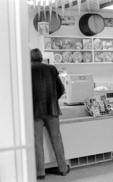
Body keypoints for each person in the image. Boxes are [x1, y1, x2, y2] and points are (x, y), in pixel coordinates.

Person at [31, 48, 69, 179]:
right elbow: (61, 89)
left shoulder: (27, 70)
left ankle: (40, 172)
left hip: (34, 112)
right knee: (56, 138)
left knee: (37, 142)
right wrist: (53, 100)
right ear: (41, 57)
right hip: (52, 110)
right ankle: (63, 168)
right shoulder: (52, 69)